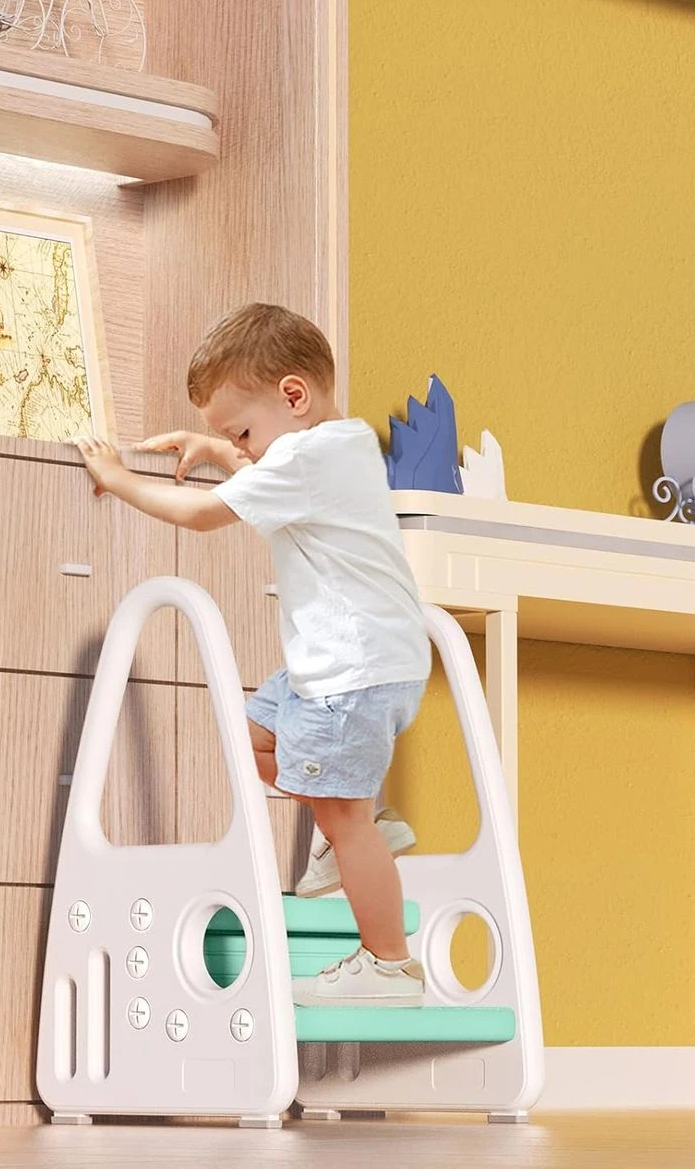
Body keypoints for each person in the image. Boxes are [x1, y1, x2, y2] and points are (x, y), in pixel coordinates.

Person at [75, 303, 431, 1006]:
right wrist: (219, 450)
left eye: (241, 432)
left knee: (343, 821)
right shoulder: (344, 443)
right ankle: (362, 819)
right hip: (346, 665)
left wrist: (117, 479)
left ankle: (388, 964)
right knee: (253, 739)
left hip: (348, 673)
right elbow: (272, 464)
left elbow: (204, 515)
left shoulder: (299, 458)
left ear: (293, 396)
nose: (243, 446)